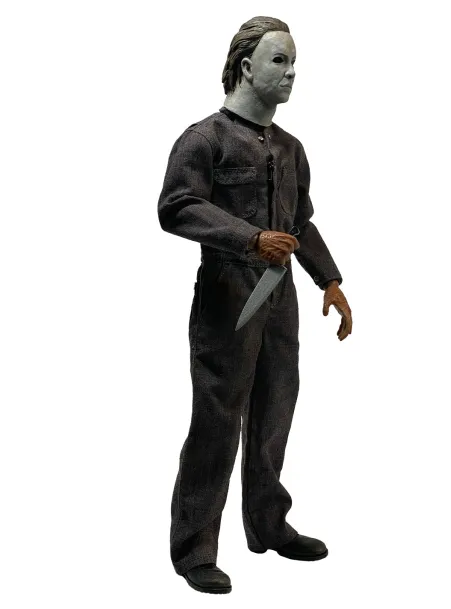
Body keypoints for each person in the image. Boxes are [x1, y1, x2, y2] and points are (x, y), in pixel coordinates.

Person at [157, 16, 352, 594]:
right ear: (246, 67)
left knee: (275, 409)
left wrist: (330, 280)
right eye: (279, 61)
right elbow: (177, 206)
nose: (291, 73)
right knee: (217, 420)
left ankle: (268, 523)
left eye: (294, 63)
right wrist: (249, 238)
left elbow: (300, 221)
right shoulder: (205, 139)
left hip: (280, 298)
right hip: (228, 296)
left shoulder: (291, 149)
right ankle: (194, 549)